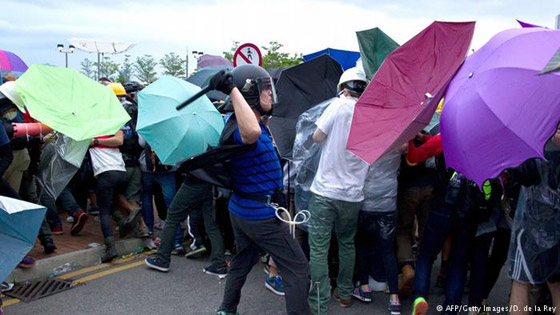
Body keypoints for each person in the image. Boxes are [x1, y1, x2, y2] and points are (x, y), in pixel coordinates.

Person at [205, 65, 309, 315]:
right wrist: (231, 89)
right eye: (265, 89)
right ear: (250, 94)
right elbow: (250, 132)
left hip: (245, 210)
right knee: (298, 270)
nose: (271, 94)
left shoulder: (251, 123)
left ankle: (227, 309)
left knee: (244, 259)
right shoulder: (243, 129)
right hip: (260, 215)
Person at [307, 67, 369, 314]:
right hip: (353, 194)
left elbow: (317, 137)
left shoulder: (338, 106)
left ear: (343, 87)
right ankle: (344, 294)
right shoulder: (370, 112)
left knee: (319, 247)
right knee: (347, 243)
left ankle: (319, 302)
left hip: (325, 191)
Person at [506, 130, 560, 314]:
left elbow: (522, 172)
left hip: (530, 221)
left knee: (521, 284)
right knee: (557, 286)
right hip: (540, 219)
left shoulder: (535, 121)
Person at [353, 150, 402, 314]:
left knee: (362, 246)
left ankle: (364, 287)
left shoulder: (365, 140)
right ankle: (394, 298)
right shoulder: (398, 139)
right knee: (388, 251)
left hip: (365, 200)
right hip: (388, 202)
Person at [89, 129, 141, 263]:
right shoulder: (113, 127)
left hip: (106, 173)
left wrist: (94, 141)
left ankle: (110, 248)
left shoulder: (90, 132)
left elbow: (119, 140)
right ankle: (123, 222)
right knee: (110, 203)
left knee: (104, 211)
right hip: (121, 172)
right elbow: (118, 139)